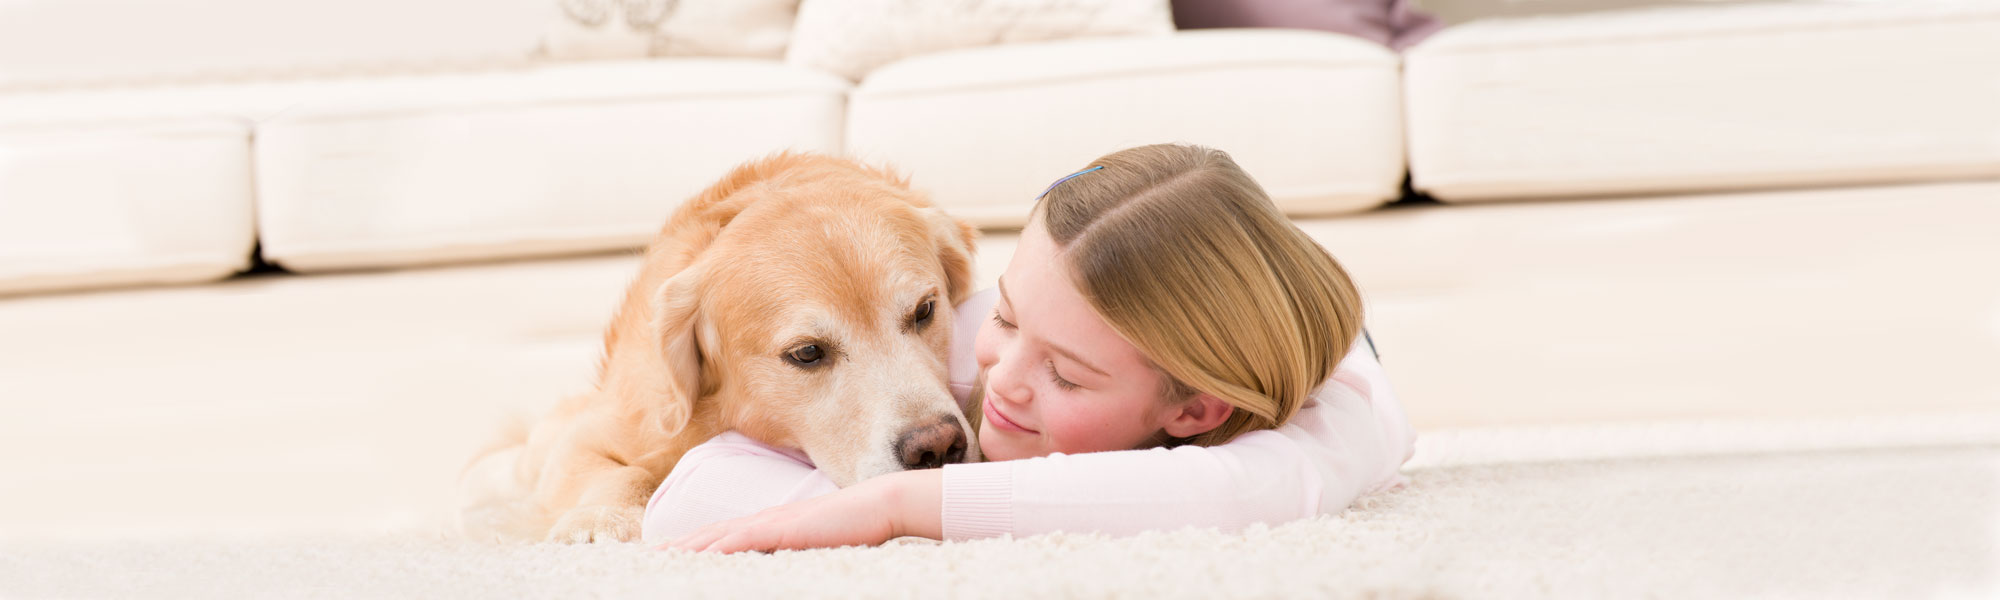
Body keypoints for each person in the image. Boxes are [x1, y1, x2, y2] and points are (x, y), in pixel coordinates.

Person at [646, 144, 1415, 552]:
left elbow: (1233, 494)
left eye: (1065, 377)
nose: (998, 385)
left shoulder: (1345, 423)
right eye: (1007, 321)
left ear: (1195, 410)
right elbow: (688, 501)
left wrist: (898, 506)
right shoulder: (953, 337)